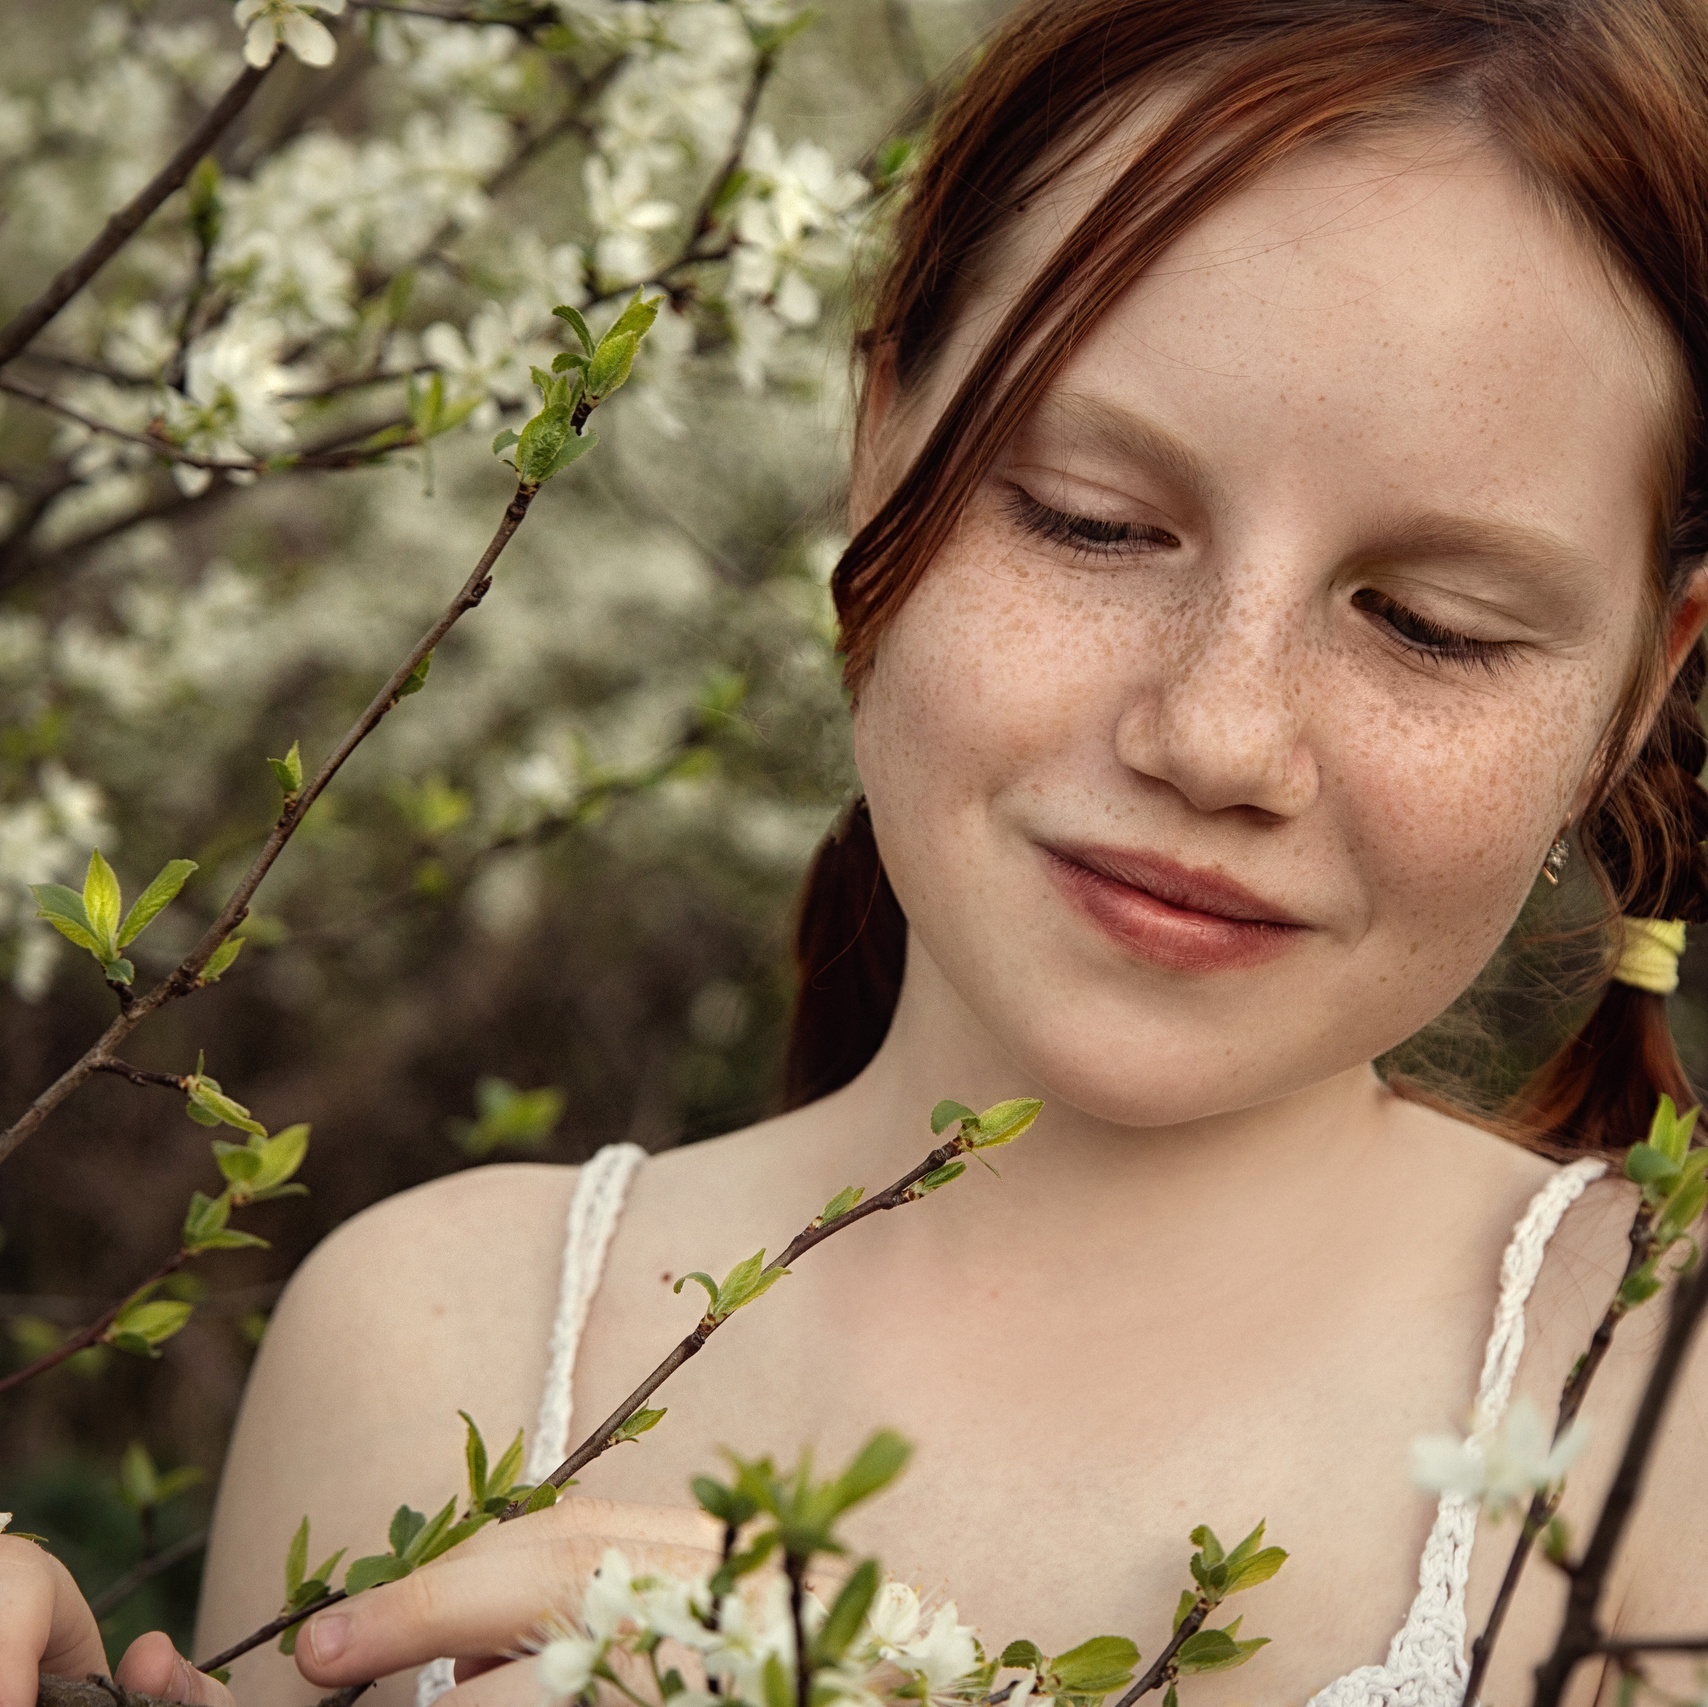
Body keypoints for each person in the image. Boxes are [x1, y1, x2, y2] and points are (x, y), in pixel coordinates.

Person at [10, 0, 1708, 1701]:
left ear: (1644, 680)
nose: (1216, 737)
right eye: (1092, 522)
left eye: (1432, 624)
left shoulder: (1665, 1418)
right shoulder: (432, 1336)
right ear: (883, 439)